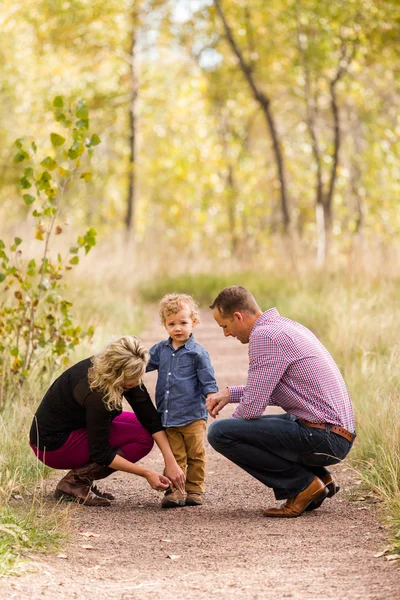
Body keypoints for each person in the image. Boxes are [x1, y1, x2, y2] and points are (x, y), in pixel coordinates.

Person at [206, 286, 356, 518]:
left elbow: (253, 408)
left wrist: (234, 431)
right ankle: (320, 477)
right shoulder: (284, 327)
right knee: (278, 422)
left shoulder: (263, 337)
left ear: (238, 316)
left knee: (219, 433)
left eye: (225, 326)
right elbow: (277, 391)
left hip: (325, 436)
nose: (226, 334)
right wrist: (230, 393)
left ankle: (302, 484)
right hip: (335, 434)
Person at [29, 335, 185, 507]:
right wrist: (146, 473)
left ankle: (77, 480)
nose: (138, 382)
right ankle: (75, 482)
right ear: (116, 376)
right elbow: (100, 453)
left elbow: (149, 415)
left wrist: (170, 461)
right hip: (52, 446)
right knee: (142, 440)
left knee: (143, 429)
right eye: (132, 380)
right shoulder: (96, 392)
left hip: (77, 427)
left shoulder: (122, 370)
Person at [146, 293, 218, 508]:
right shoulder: (160, 350)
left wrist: (211, 398)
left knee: (195, 454)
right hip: (169, 415)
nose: (178, 328)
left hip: (193, 415)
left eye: (183, 323)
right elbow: (143, 364)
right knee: (176, 456)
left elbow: (207, 380)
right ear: (165, 325)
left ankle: (194, 489)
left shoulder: (198, 353)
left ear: (193, 322)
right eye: (172, 324)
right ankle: (175, 491)